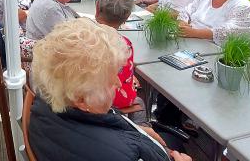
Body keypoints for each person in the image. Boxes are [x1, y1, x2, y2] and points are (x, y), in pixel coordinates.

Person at [29, 18, 192, 161]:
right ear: (80, 98)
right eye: (110, 79)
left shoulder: (46, 101)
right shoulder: (120, 156)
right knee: (176, 142)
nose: (119, 83)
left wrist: (136, 131)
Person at [95, 0, 147, 122]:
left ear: (97, 7)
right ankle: (144, 129)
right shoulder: (124, 45)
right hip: (105, 104)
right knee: (139, 101)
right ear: (127, 17)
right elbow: (125, 93)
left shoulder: (82, 35)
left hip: (80, 99)